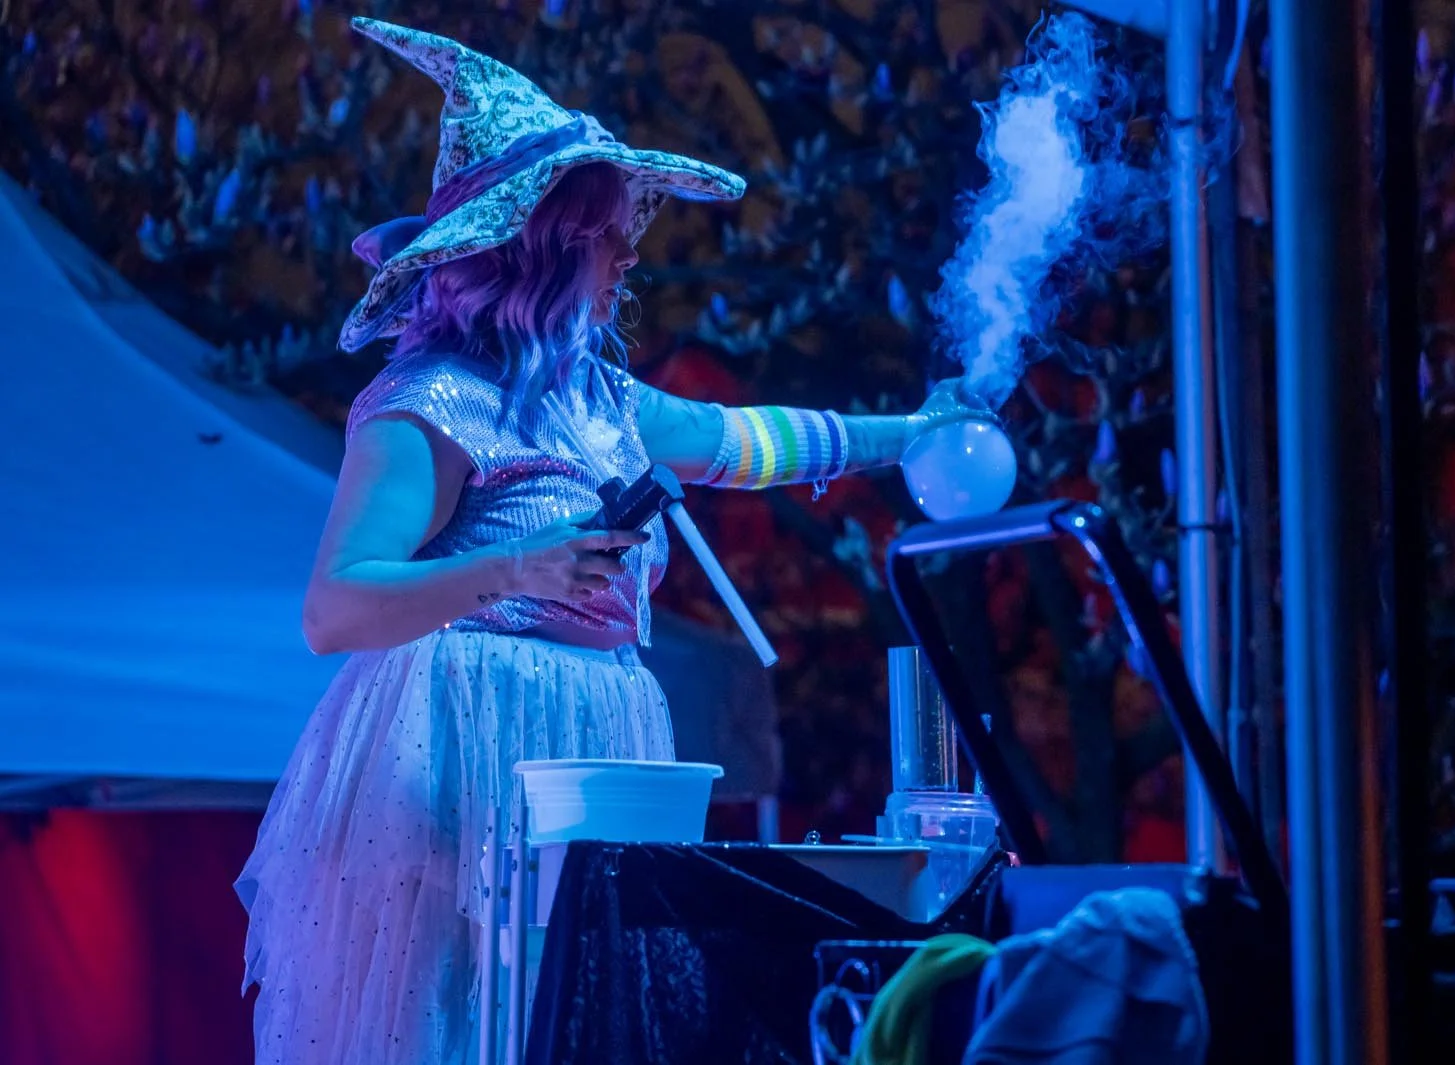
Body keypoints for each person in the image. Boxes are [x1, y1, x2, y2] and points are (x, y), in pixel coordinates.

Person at [236, 17, 989, 1065]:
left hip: (597, 725)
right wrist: (513, 567)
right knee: (469, 1014)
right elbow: (338, 607)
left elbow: (743, 440)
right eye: (610, 230)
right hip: (468, 737)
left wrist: (913, 435)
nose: (633, 249)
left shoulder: (599, 398)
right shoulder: (429, 403)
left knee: (590, 1008)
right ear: (541, 244)